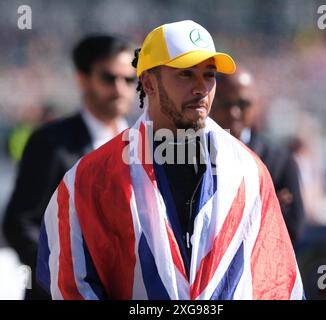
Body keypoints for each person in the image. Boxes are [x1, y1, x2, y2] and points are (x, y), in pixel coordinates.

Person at [36, 20, 304, 300]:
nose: (201, 88)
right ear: (148, 82)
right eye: (186, 74)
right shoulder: (90, 178)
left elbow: (277, 280)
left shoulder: (248, 170)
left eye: (209, 75)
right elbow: (71, 281)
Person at [2, 34, 136, 300]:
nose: (120, 88)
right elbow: (21, 222)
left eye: (130, 79)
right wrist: (65, 277)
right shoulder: (52, 142)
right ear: (82, 79)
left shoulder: (141, 144)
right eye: (109, 78)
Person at [211, 70, 305, 244]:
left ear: (256, 105)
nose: (234, 112)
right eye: (225, 103)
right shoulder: (192, 156)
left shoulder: (280, 161)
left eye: (243, 103)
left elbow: (294, 230)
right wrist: (265, 205)